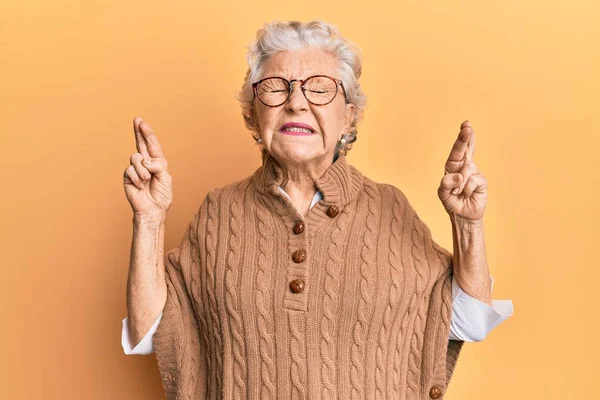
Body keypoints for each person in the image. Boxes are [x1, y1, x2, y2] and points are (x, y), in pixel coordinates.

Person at [122, 20, 513, 400]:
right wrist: (149, 219)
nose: (296, 103)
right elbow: (152, 331)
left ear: (348, 116)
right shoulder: (219, 212)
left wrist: (468, 224)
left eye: (320, 88)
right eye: (276, 88)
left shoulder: (390, 208)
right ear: (253, 115)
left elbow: (470, 320)